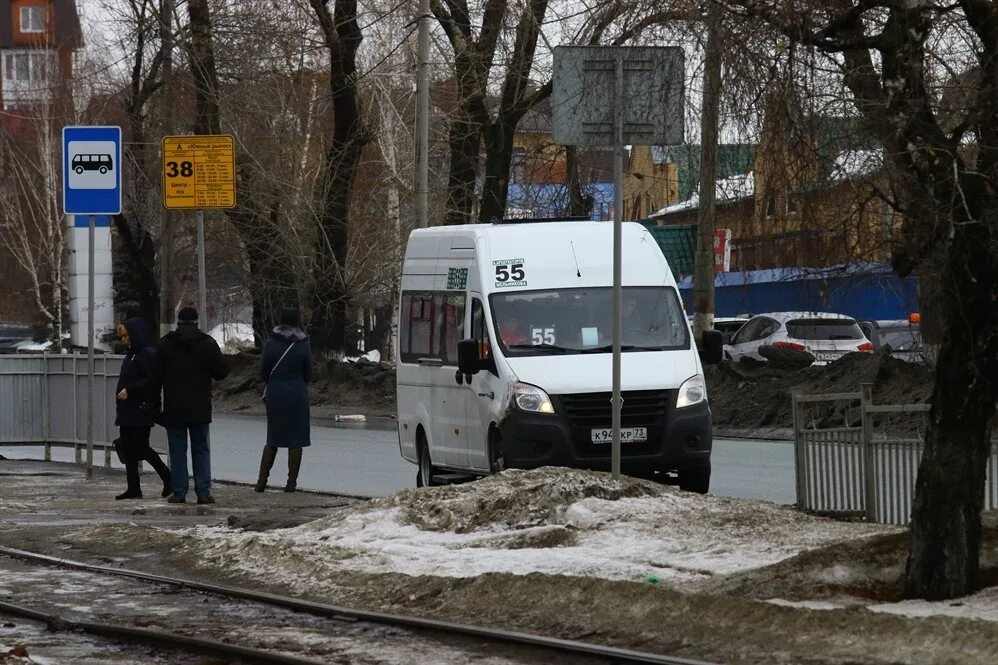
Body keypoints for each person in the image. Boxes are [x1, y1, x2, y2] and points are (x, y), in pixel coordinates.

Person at [154, 307, 230, 504]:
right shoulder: (208, 344)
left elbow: (155, 375)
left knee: (177, 450)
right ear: (197, 321)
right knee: (201, 449)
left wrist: (155, 404)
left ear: (178, 322)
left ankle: (179, 492)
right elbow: (221, 371)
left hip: (174, 407)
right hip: (200, 406)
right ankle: (203, 492)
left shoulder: (166, 345)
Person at [113, 318, 172, 501]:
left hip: (140, 410)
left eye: (125, 337)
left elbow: (152, 381)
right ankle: (133, 488)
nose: (123, 341)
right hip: (127, 410)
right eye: (121, 337)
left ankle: (168, 478)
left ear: (134, 335)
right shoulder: (131, 355)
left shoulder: (147, 354)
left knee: (141, 448)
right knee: (128, 449)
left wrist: (131, 390)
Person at [255, 308, 313, 493]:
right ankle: (291, 484)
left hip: (276, 394)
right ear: (297, 322)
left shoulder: (271, 344)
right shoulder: (303, 345)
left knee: (273, 437)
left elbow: (264, 372)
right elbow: (309, 374)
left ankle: (261, 482)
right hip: (297, 394)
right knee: (296, 440)